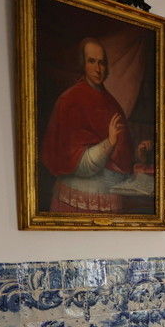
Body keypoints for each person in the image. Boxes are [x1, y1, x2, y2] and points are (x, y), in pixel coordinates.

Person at [40, 37, 151, 213]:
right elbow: (79, 165)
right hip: (78, 199)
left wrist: (138, 154)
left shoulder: (111, 103)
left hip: (109, 197)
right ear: (82, 64)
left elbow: (120, 156)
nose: (98, 69)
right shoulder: (70, 101)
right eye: (92, 62)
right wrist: (109, 142)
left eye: (102, 63)